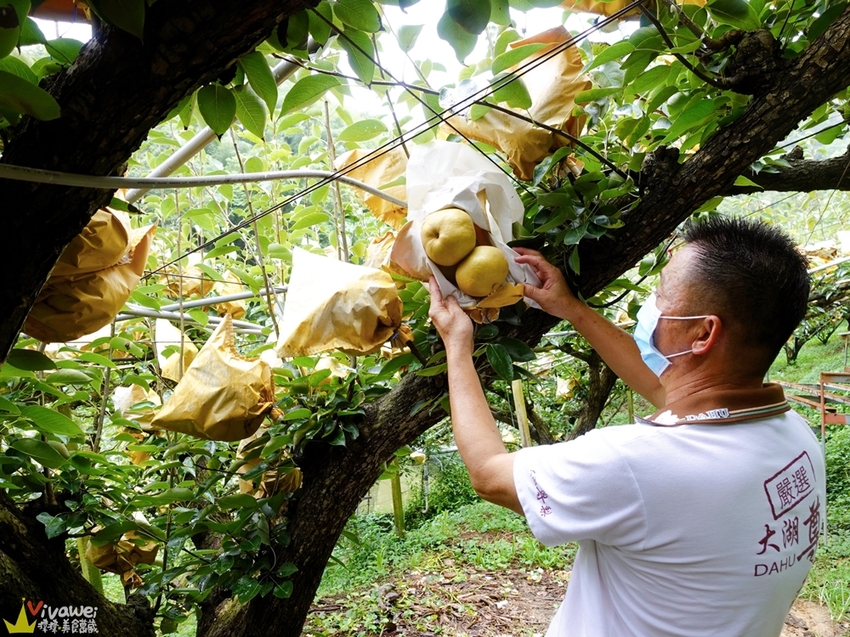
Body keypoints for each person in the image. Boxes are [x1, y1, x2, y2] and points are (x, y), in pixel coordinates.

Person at [427, 216, 825, 637]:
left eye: (660, 294)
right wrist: (571, 308)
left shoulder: (634, 464)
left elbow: (489, 474)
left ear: (703, 332)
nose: (651, 306)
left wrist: (457, 346)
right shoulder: (796, 437)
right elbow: (662, 387)